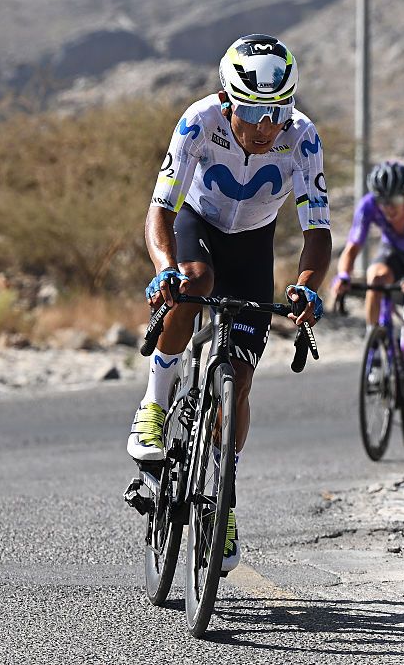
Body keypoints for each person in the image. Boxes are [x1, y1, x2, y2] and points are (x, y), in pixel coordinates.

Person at [127, 34, 331, 572]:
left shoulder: (302, 137)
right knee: (193, 281)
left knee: (238, 378)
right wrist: (163, 269)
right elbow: (160, 210)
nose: (267, 127)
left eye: (278, 112)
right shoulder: (198, 122)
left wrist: (307, 284)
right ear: (226, 102)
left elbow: (317, 229)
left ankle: (224, 496)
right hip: (197, 224)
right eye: (253, 113)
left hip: (253, 244)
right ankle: (153, 406)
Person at [333, 160, 404, 431]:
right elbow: (352, 249)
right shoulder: (369, 205)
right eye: (382, 201)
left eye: (393, 199)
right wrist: (343, 276)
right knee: (376, 278)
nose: (388, 207)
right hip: (393, 254)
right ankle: (377, 345)